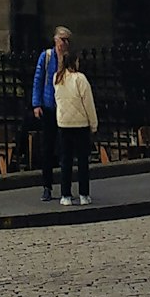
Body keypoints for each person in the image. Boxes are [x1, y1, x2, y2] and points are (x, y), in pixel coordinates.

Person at [53, 39, 98, 207]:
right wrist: (93, 124)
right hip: (80, 125)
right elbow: (89, 104)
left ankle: (65, 195)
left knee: (66, 161)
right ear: (75, 61)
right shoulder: (80, 79)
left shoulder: (57, 79)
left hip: (63, 124)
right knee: (82, 161)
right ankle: (84, 194)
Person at [31, 27, 71, 201]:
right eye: (62, 39)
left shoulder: (70, 58)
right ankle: (47, 187)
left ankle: (65, 188)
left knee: (65, 149)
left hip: (65, 108)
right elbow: (38, 79)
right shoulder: (46, 57)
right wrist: (36, 103)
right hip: (48, 106)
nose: (64, 43)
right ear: (55, 40)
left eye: (67, 40)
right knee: (47, 148)